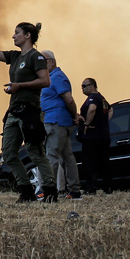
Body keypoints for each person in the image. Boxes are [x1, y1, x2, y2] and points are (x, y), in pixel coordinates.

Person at [0, 21, 55, 202]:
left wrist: (19, 85)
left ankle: (50, 191)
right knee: (9, 153)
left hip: (31, 111)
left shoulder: (36, 57)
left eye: (17, 32)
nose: (13, 36)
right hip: (13, 111)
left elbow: (45, 81)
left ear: (27, 35)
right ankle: (26, 192)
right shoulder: (15, 56)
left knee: (36, 153)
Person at [40, 50, 82, 199]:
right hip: (59, 121)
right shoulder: (52, 77)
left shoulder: (57, 77)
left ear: (52, 61)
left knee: (51, 156)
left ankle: (49, 190)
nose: (40, 64)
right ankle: (75, 191)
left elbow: (69, 99)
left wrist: (74, 116)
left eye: (43, 60)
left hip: (56, 121)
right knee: (67, 156)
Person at [78, 77, 112, 195]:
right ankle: (107, 187)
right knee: (104, 162)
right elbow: (111, 110)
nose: (82, 88)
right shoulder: (101, 98)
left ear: (92, 86)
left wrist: (87, 124)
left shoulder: (93, 97)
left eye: (84, 86)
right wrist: (103, 122)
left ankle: (90, 188)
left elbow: (92, 109)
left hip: (93, 136)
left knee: (89, 163)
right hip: (104, 135)